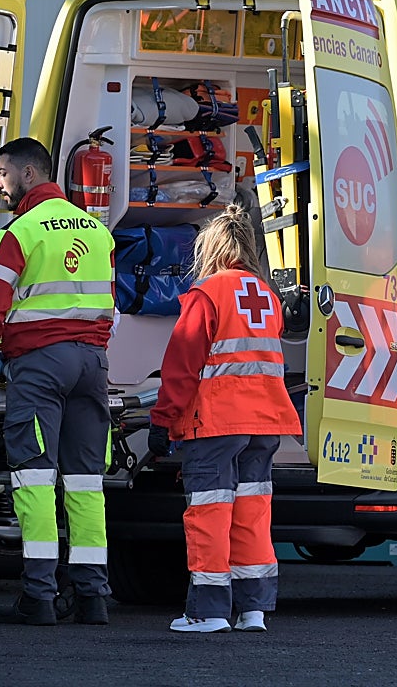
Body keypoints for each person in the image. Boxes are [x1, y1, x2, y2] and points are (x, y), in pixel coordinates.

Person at [0, 137, 116, 626]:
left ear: (29, 174)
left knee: (34, 477)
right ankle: (93, 597)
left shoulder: (21, 232)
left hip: (39, 366)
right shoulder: (97, 231)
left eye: (3, 172)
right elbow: (108, 304)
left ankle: (38, 596)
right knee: (85, 482)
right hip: (92, 365)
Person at [147, 205, 301, 634]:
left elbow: (182, 365)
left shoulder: (207, 294)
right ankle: (254, 610)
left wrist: (163, 420)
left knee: (210, 512)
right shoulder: (265, 295)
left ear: (209, 248)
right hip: (265, 422)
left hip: (218, 423)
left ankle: (208, 611)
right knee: (252, 513)